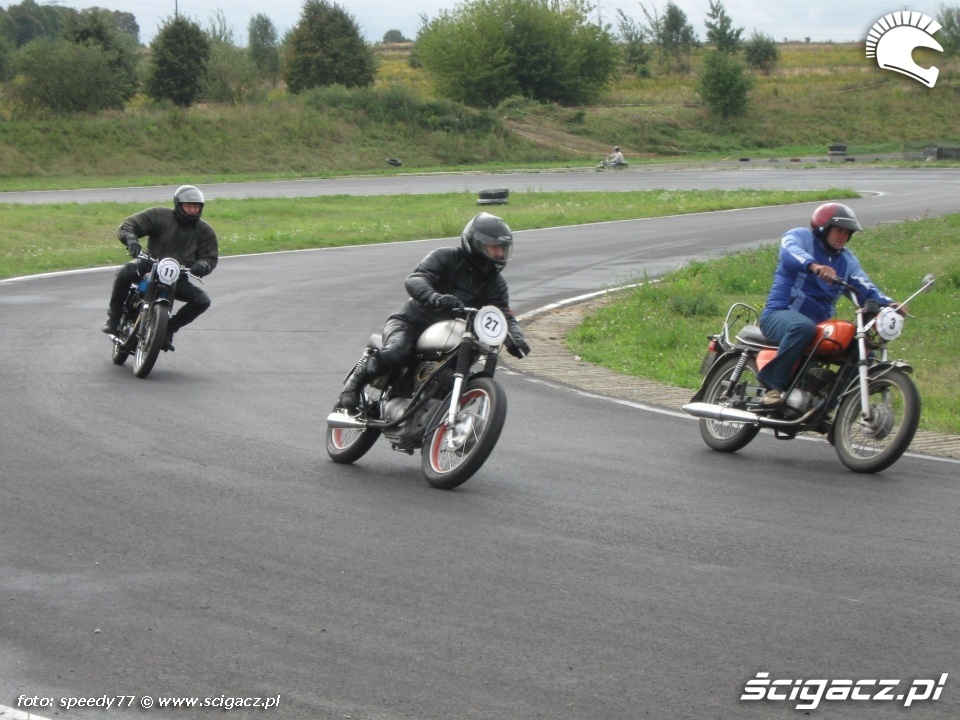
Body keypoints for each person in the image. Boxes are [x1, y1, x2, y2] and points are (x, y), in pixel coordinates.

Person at [339, 212, 531, 411]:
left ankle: (439, 411)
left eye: (502, 249)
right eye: (494, 247)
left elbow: (502, 314)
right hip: (412, 324)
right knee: (398, 351)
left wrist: (516, 337)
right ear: (476, 244)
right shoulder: (445, 257)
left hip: (457, 337)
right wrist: (435, 298)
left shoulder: (497, 284)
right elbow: (416, 278)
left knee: (464, 370)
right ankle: (354, 384)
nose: (499, 254)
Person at [756, 202, 904, 407]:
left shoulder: (846, 261)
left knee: (863, 350)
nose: (843, 236)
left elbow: (864, 287)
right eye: (839, 230)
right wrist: (814, 266)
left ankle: (829, 405)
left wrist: (888, 305)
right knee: (802, 327)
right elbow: (789, 251)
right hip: (780, 313)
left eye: (847, 233)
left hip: (819, 326)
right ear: (823, 228)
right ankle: (773, 387)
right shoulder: (801, 237)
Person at [101, 185, 218, 352]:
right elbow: (128, 225)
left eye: (196, 207)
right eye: (189, 206)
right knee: (124, 272)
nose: (193, 210)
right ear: (178, 205)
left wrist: (203, 265)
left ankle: (168, 330)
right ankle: (113, 317)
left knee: (202, 301)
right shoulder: (159, 215)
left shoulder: (205, 231)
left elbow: (210, 258)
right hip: (149, 264)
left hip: (178, 276)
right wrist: (131, 240)